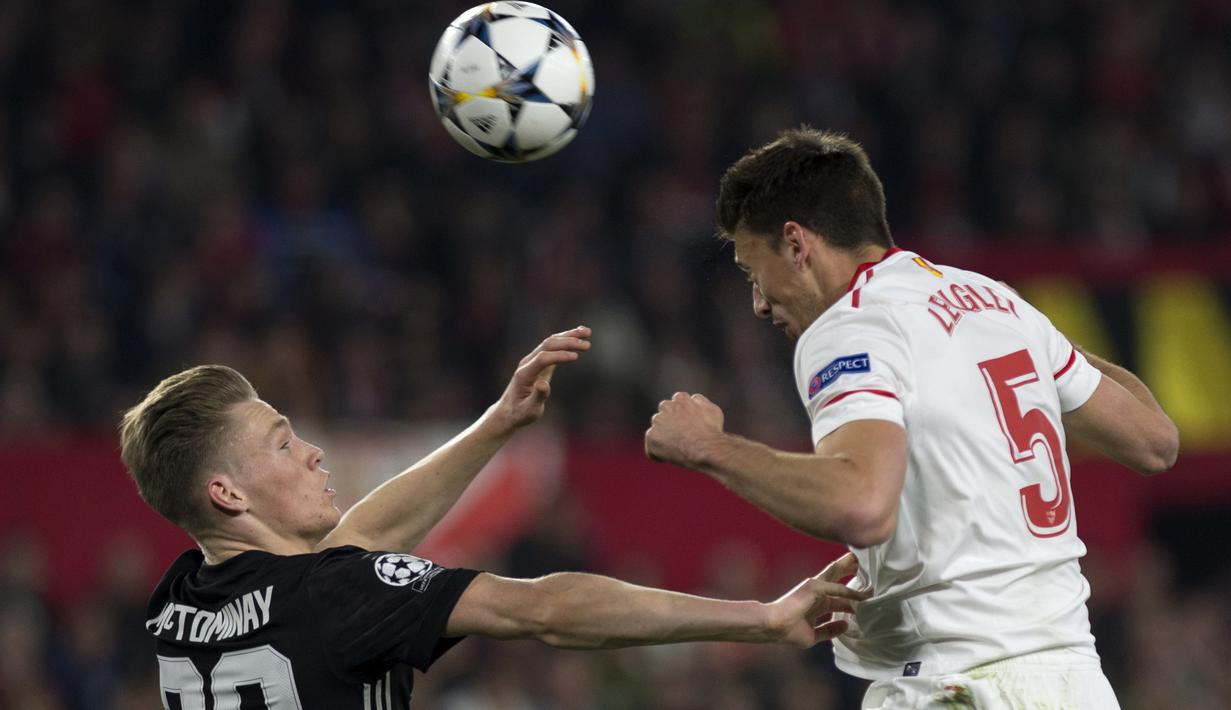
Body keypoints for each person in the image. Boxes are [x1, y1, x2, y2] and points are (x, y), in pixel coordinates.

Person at [643, 129, 1179, 709]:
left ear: (797, 245)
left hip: (959, 683)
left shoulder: (850, 325)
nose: (758, 302)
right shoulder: (996, 302)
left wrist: (710, 447)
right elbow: (1154, 441)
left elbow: (862, 504)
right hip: (1075, 681)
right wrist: (1037, 333)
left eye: (754, 272)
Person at [122, 326, 868, 710]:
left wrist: (498, 421)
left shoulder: (178, 602)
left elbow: (356, 544)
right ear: (229, 495)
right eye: (284, 443)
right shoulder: (336, 595)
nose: (314, 452)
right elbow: (543, 608)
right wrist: (762, 618)